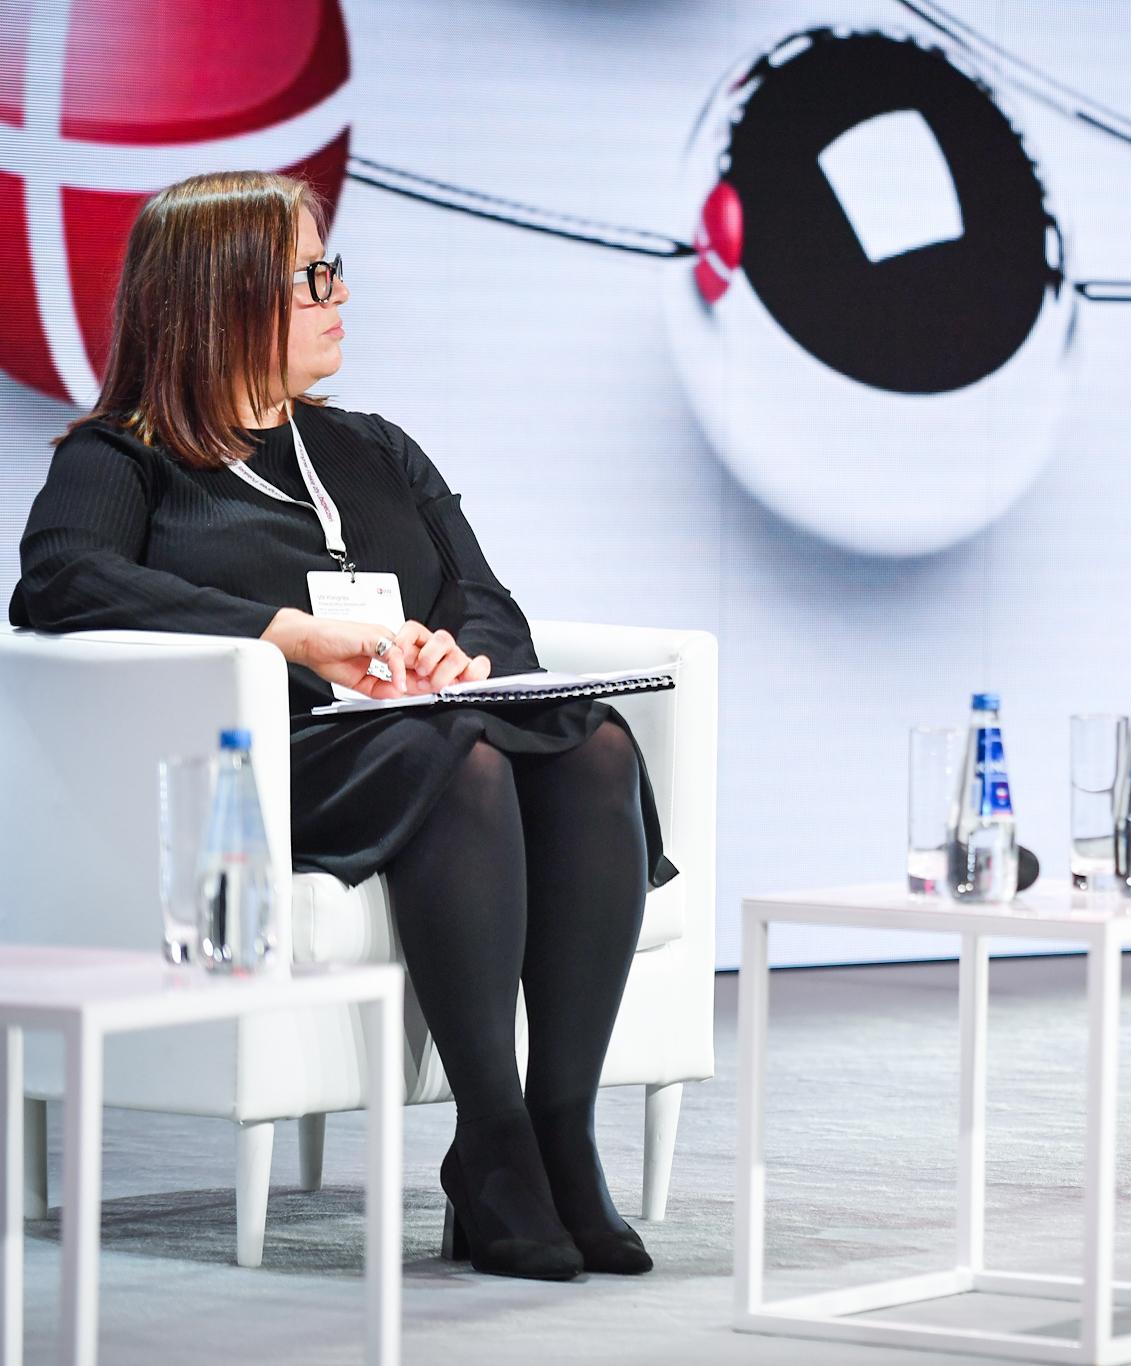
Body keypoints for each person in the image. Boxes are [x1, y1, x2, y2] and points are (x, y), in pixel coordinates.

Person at [10, 170, 672, 1280]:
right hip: (273, 763)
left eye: (332, 271)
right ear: (223, 295)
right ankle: (494, 1145)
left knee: (594, 744)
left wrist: (465, 655)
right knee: (464, 762)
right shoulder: (124, 457)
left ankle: (563, 1131)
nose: (337, 296)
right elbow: (60, 580)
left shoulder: (374, 447)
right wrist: (288, 634)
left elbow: (485, 600)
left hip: (417, 729)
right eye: (310, 278)